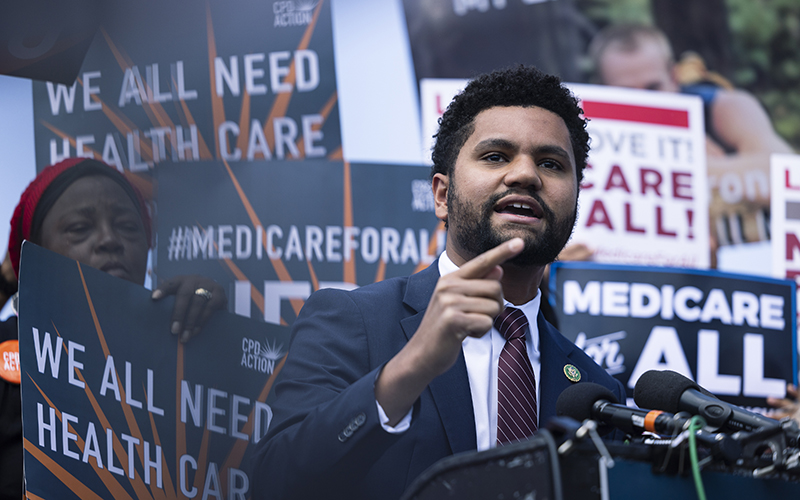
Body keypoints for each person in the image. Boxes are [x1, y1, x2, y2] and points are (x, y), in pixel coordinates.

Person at [251, 66, 626, 500]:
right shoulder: (351, 320)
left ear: (575, 198)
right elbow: (272, 483)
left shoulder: (596, 389)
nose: (526, 175)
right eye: (496, 156)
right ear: (442, 196)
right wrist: (412, 366)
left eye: (551, 163)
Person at [0, 157, 227, 500]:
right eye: (79, 228)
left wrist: (217, 338)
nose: (110, 239)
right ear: (37, 251)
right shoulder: (7, 352)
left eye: (127, 226)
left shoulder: (183, 350)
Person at [588, 23, 794, 251]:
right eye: (627, 94)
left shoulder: (722, 108)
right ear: (603, 90)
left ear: (674, 77)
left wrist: (689, 169)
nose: (644, 104)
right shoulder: (590, 131)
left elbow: (787, 177)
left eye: (653, 88)